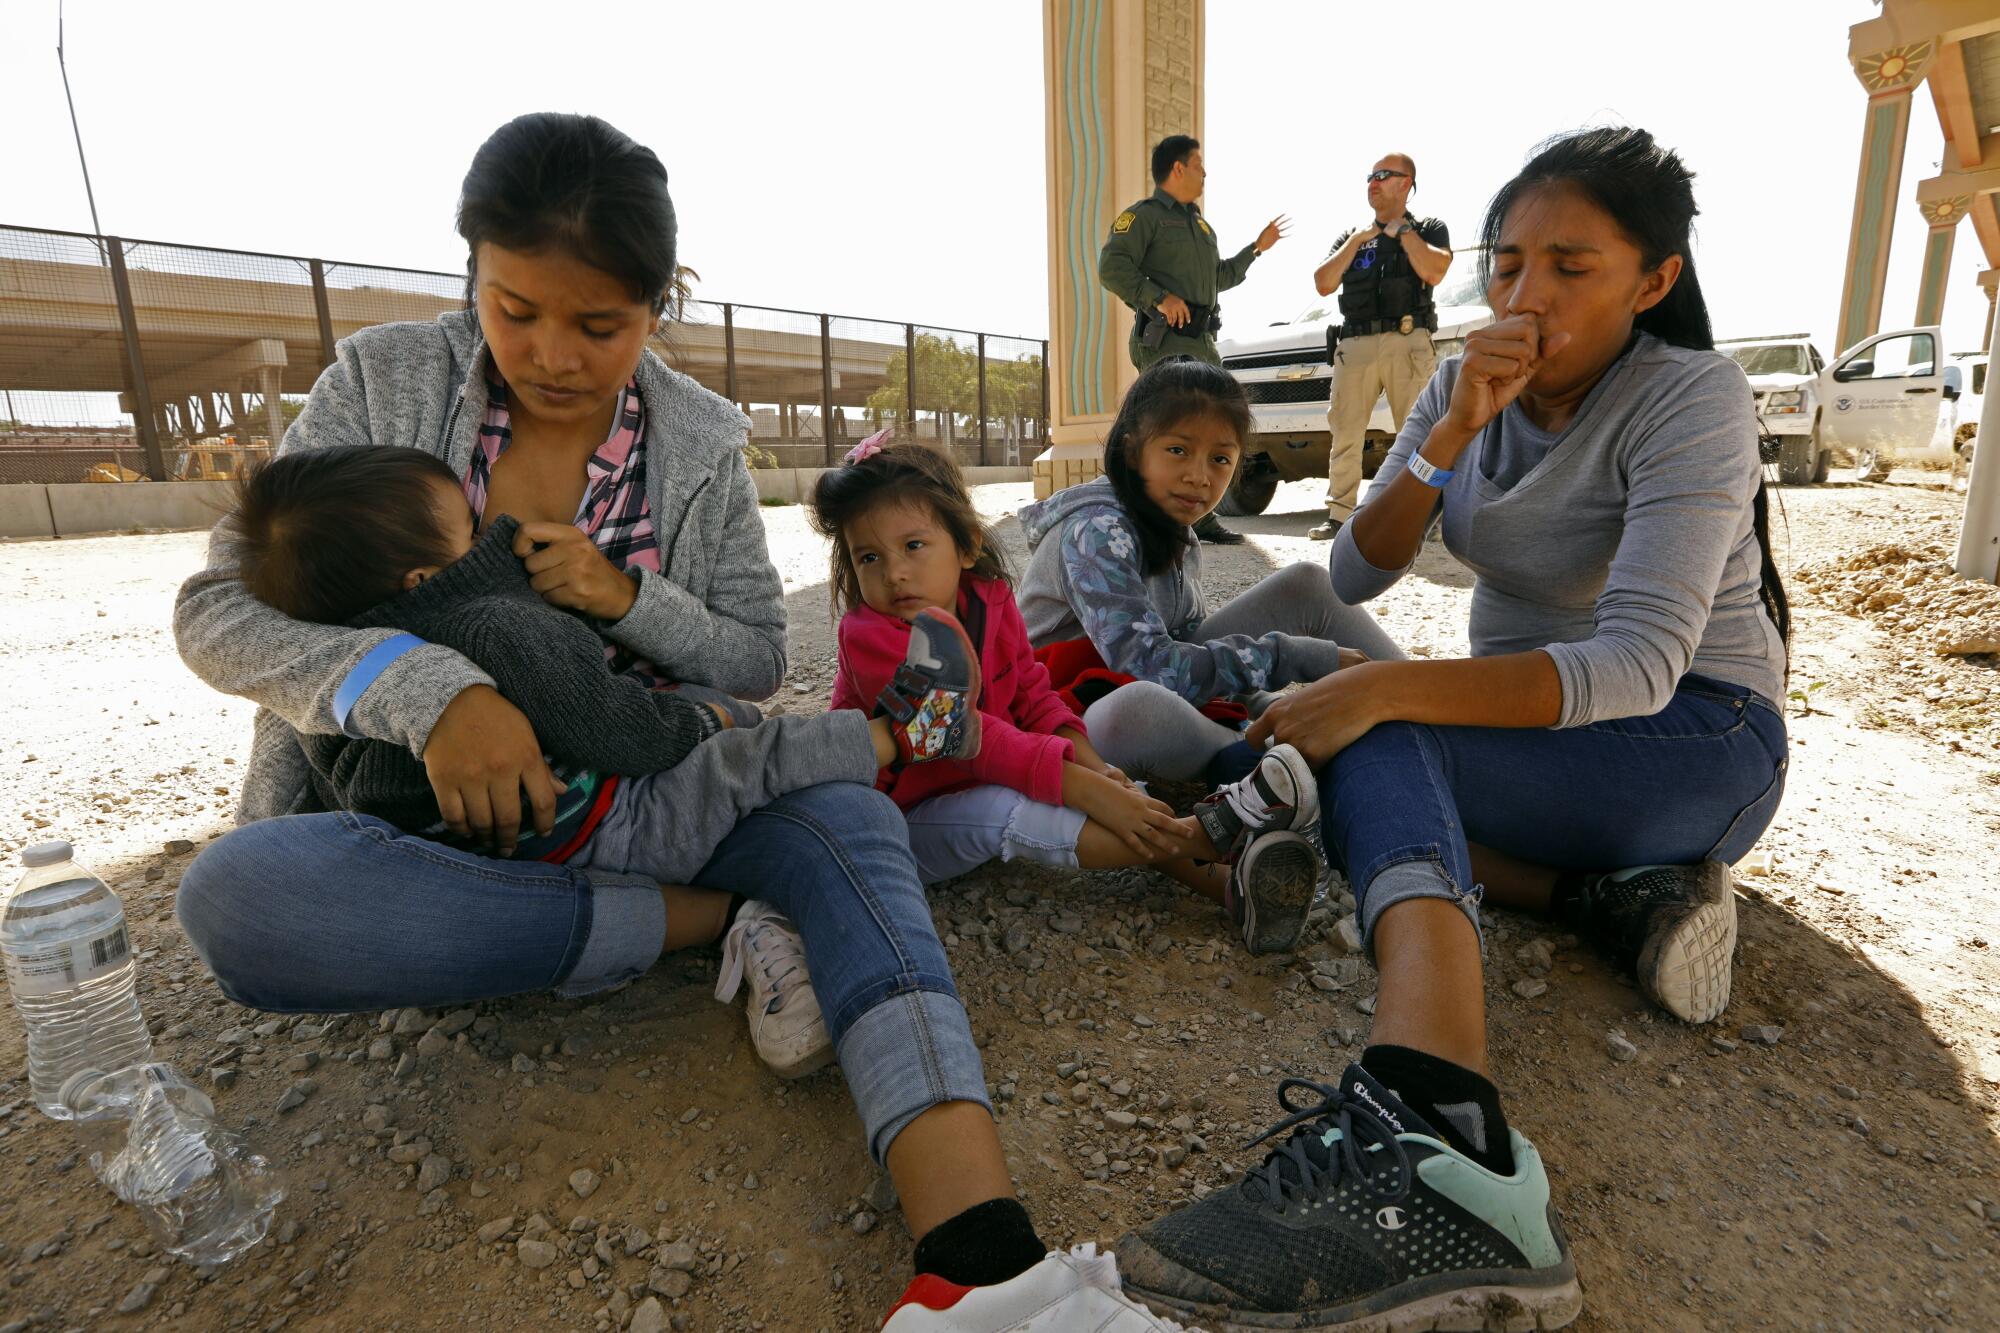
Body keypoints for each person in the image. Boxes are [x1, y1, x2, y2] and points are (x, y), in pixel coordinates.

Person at [171, 111, 1182, 1331]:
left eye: (597, 324)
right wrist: (432, 693)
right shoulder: (385, 382)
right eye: (512, 309)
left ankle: (980, 1257)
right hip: (433, 821)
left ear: (658, 305)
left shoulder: (696, 439)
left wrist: (620, 594)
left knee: (846, 810)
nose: (549, 353)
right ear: (472, 279)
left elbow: (757, 651)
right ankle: (707, 923)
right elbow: (219, 605)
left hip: (650, 785)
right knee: (239, 899)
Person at [1113, 127, 1788, 1333]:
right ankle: (1608, 895)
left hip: (1696, 740)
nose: (1525, 295)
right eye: (1508, 262)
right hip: (1539, 741)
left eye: (1569, 267)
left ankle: (1435, 1114)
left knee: (1369, 735)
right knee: (1341, 712)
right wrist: (1454, 425)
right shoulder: (1462, 378)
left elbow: (1636, 665)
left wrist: (1384, 694)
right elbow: (1358, 573)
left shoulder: (1690, 398)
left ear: (1653, 282)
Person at [809, 431, 1323, 953]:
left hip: (979, 777)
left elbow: (1032, 692)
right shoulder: (871, 634)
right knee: (1009, 804)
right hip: (897, 823)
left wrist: (1093, 765)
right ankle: (1207, 832)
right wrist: (1076, 784)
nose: (894, 572)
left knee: (1117, 795)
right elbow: (969, 739)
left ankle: (1231, 887)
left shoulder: (988, 599)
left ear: (965, 546)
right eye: (867, 558)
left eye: (913, 546)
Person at [1099, 133, 1288, 545]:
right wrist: (1157, 297)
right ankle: (1154, 514)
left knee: (1210, 422)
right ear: (1178, 168)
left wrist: (1256, 249)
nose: (1205, 174)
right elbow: (1111, 267)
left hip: (1201, 341)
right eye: (1200, 165)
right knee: (1166, 428)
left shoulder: (1200, 226)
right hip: (1165, 340)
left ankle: (1197, 519)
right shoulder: (1145, 217)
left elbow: (1220, 277)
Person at [1308, 153, 1453, 541]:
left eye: (1383, 175)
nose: (1373, 182)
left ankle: (1425, 514)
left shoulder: (1429, 229)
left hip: (1408, 342)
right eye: (1370, 176)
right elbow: (1323, 282)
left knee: (1420, 432)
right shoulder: (1353, 237)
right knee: (1345, 430)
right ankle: (1339, 514)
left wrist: (1403, 233)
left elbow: (1435, 270)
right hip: (1355, 343)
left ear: (1405, 183)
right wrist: (1358, 240)